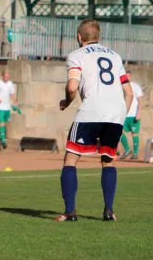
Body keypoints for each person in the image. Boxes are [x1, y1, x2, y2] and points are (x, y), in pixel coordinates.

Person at [57, 20, 133, 222]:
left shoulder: (76, 56)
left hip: (91, 112)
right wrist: (119, 118)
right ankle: (109, 211)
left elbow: (72, 87)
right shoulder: (115, 56)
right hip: (115, 114)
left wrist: (66, 101)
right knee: (107, 161)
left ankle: (70, 212)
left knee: (71, 159)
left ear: (79, 37)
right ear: (99, 37)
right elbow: (129, 93)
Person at [0, 71, 18, 149]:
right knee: (1, 124)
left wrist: (15, 103)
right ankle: (3, 141)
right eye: (5, 77)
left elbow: (12, 94)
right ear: (2, 76)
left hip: (7, 107)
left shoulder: (10, 84)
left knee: (5, 125)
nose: (7, 78)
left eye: (8, 77)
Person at [119, 70, 143, 160]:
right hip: (124, 114)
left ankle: (135, 153)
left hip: (133, 114)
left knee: (134, 133)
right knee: (119, 132)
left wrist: (139, 112)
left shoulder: (135, 86)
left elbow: (140, 100)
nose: (127, 78)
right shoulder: (120, 86)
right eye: (125, 76)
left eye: (128, 76)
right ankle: (127, 149)